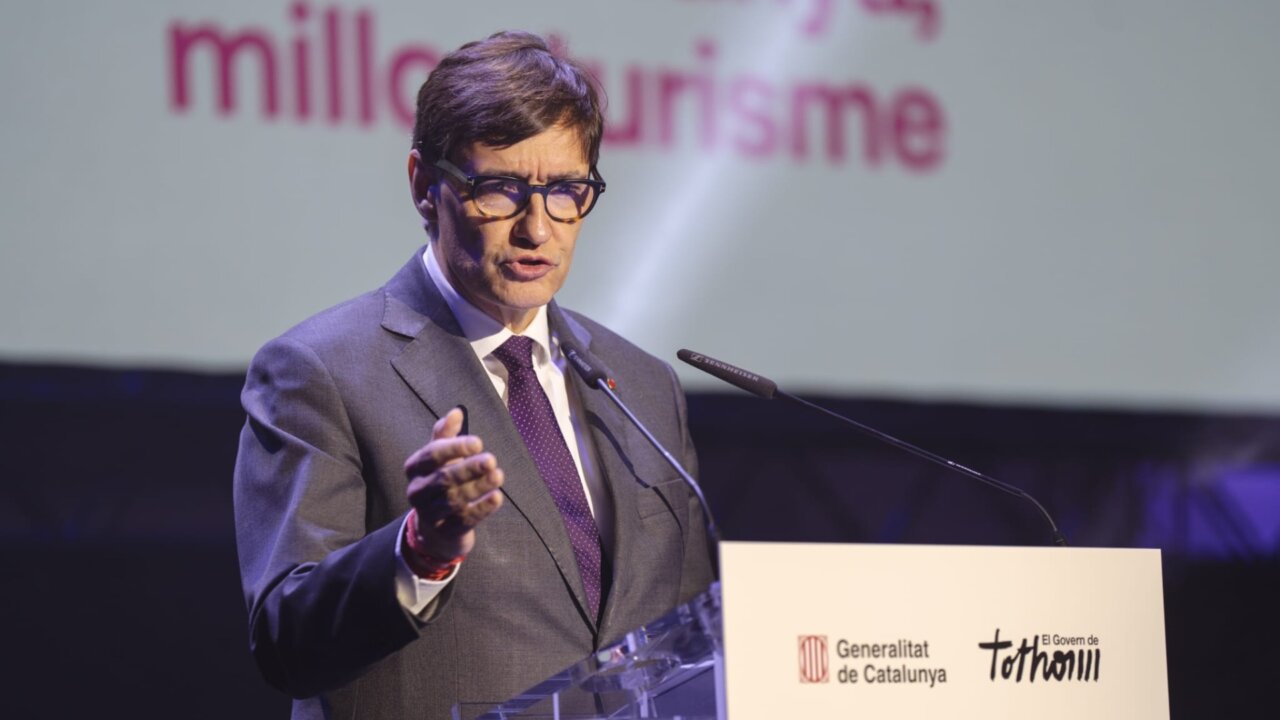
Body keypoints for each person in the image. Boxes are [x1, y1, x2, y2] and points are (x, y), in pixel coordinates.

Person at [233, 30, 715, 720]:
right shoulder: (321, 370)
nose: (538, 229)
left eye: (567, 191)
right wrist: (420, 550)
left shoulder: (641, 386)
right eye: (500, 190)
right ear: (425, 187)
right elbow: (288, 642)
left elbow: (693, 637)